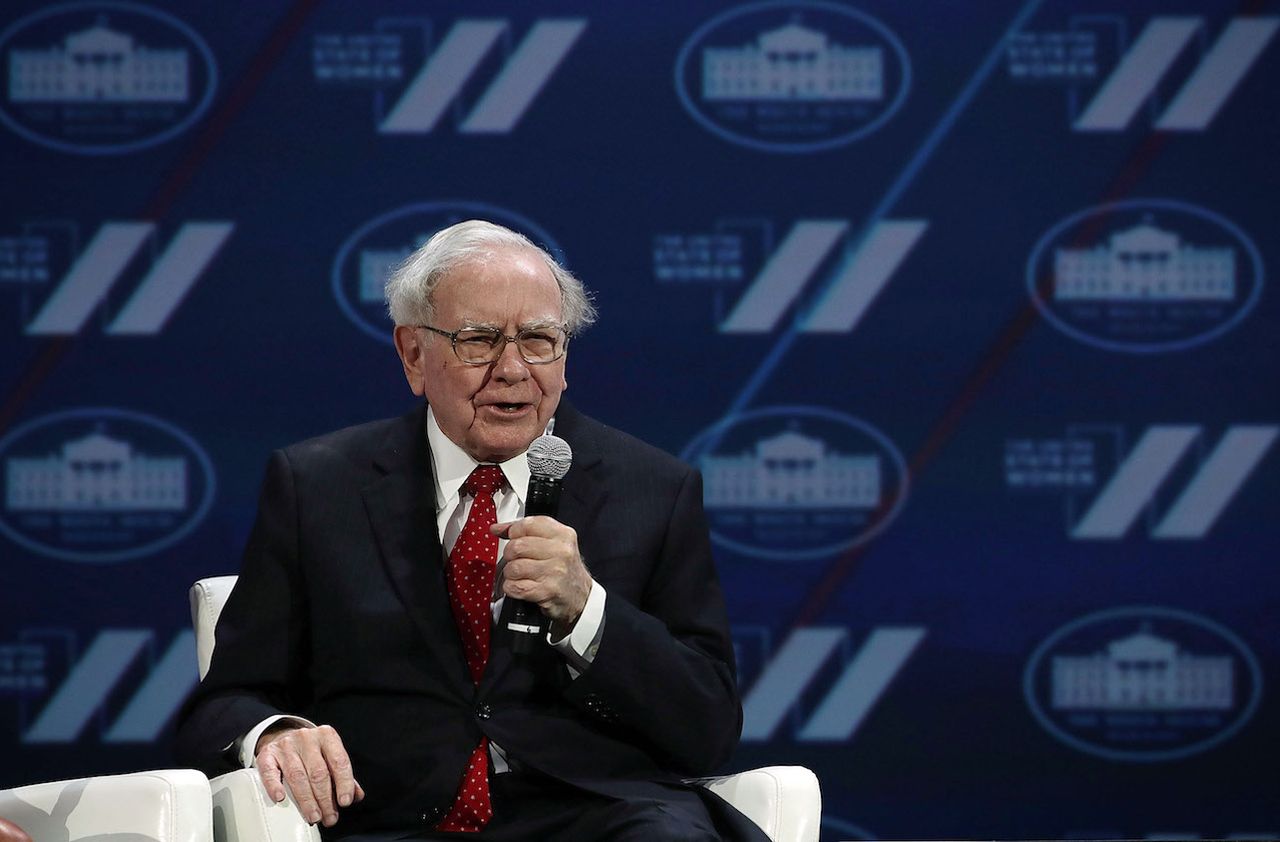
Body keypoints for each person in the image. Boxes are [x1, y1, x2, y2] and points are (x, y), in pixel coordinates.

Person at [176, 220, 767, 841]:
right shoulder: (319, 487)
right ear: (413, 354)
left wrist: (586, 612)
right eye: (479, 340)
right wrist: (277, 733)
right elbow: (226, 701)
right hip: (390, 819)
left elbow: (707, 729)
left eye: (539, 340)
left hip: (595, 817)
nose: (512, 369)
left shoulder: (652, 489)